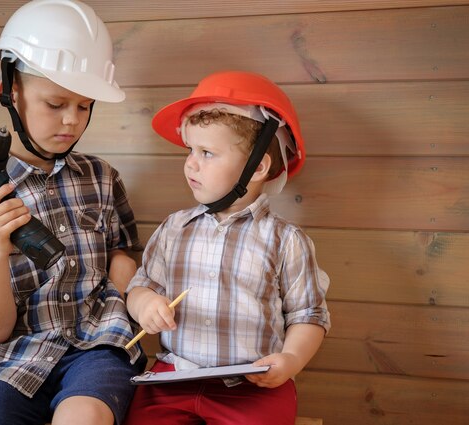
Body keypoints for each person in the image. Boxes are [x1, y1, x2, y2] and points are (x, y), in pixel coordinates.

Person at [0, 1, 146, 424]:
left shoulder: (101, 177)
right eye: (55, 104)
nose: (71, 120)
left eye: (84, 105)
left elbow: (122, 253)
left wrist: (138, 302)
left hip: (98, 346)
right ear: (11, 91)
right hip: (11, 358)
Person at [123, 71, 331, 425]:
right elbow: (139, 286)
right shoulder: (174, 229)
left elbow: (308, 315)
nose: (191, 162)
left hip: (253, 384)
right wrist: (145, 304)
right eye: (190, 150)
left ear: (257, 168)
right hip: (174, 376)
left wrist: (291, 360)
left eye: (207, 152)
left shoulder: (285, 241)